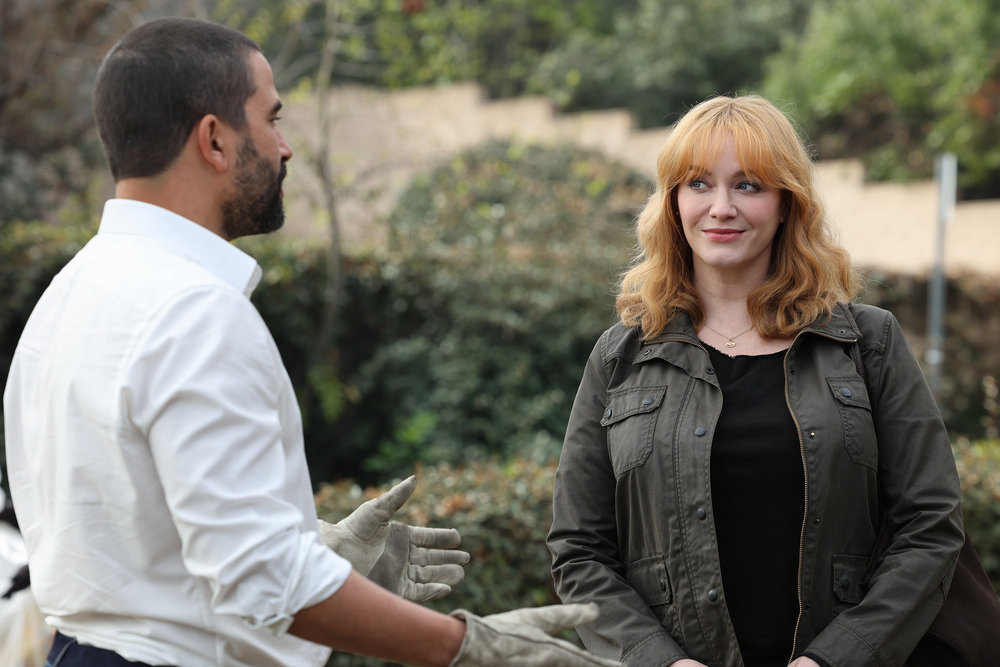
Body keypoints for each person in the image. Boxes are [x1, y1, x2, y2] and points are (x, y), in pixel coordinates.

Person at [2, 17, 619, 667]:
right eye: (271, 119)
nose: (285, 147)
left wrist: (316, 550)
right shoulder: (194, 310)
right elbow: (265, 578)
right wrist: (471, 646)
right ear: (214, 139)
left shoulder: (70, 293)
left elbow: (128, 527)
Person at [546, 94, 965, 667]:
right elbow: (579, 552)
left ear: (787, 203)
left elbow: (930, 526)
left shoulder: (867, 344)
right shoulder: (621, 357)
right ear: (672, 202)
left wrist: (835, 659)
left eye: (748, 185)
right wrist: (661, 661)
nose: (721, 208)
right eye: (698, 183)